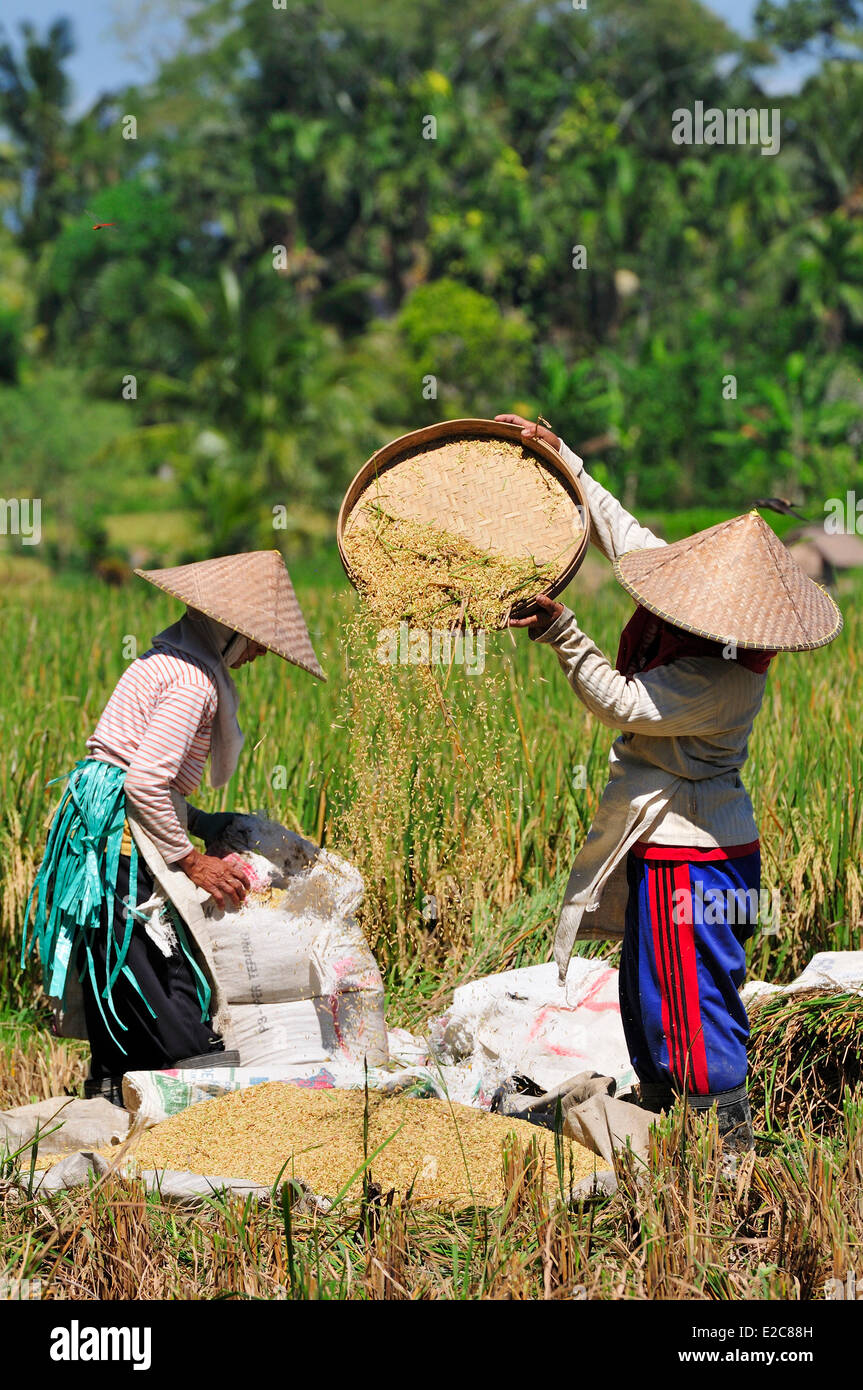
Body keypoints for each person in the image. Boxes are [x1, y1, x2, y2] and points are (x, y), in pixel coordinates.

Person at [498, 412, 843, 1154]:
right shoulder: (683, 594)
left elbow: (625, 704)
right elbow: (621, 533)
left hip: (698, 849)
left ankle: (724, 1146)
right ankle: (661, 1120)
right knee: (650, 989)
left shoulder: (724, 677)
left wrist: (564, 634)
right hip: (665, 838)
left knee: (693, 996)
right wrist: (563, 459)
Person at [23, 550, 325, 1104]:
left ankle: (118, 1100)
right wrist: (193, 859)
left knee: (123, 978)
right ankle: (208, 1101)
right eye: (257, 639)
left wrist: (207, 824)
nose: (259, 654)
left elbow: (149, 779)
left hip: (115, 832)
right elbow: (143, 785)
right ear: (228, 631)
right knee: (164, 977)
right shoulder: (193, 683)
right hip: (116, 842)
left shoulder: (175, 661)